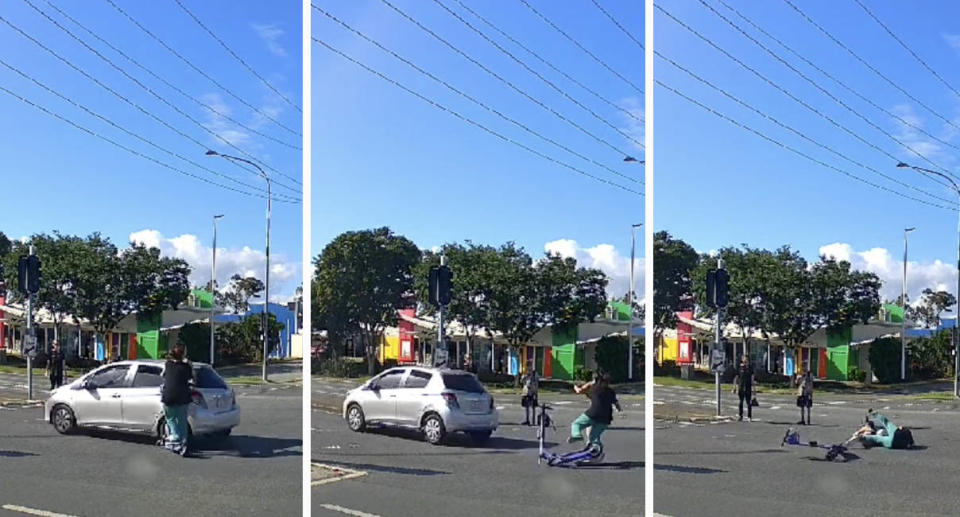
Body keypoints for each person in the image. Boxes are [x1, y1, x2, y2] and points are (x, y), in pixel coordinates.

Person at [569, 373, 622, 458]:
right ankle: (595, 451)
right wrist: (618, 409)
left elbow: (580, 390)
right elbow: (617, 404)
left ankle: (576, 435)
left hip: (593, 413)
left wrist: (575, 386)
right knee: (594, 436)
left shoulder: (594, 388)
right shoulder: (611, 391)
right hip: (606, 418)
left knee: (576, 424)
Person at [161, 343, 193, 457]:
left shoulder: (168, 364)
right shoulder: (186, 367)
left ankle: (175, 439)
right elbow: (192, 379)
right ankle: (182, 443)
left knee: (171, 420)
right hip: (182, 397)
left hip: (168, 397)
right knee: (182, 421)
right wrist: (189, 365)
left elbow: (163, 376)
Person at [732, 355, 755, 422]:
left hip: (748, 387)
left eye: (746, 361)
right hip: (741, 387)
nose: (745, 362)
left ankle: (749, 416)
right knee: (741, 402)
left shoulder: (750, 368)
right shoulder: (739, 368)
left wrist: (754, 389)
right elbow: (736, 378)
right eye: (744, 361)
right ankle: (740, 415)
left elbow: (752, 379)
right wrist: (734, 387)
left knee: (749, 402)